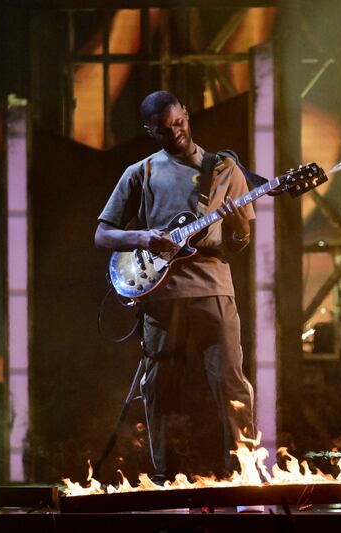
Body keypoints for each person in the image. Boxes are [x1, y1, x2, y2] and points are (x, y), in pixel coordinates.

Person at [94, 90, 256, 482]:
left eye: (179, 123)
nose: (176, 133)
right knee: (159, 389)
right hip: (161, 298)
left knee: (231, 383)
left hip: (214, 289)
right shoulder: (141, 172)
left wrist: (239, 225)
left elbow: (239, 243)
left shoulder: (225, 170)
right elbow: (103, 235)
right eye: (165, 130)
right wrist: (145, 238)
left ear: (185, 113)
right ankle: (166, 480)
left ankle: (245, 475)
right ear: (151, 131)